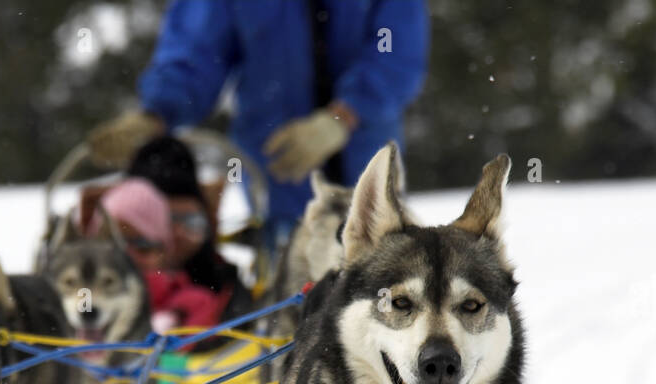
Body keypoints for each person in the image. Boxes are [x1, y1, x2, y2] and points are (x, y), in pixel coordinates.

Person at [88, 0, 429, 244]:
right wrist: (157, 113)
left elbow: (397, 51)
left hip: (370, 183)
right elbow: (195, 52)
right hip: (277, 185)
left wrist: (343, 117)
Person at [88, 176, 230, 334]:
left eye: (143, 247)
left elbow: (195, 358)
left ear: (165, 253)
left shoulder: (193, 307)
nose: (128, 258)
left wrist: (167, 356)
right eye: (115, 247)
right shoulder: (77, 305)